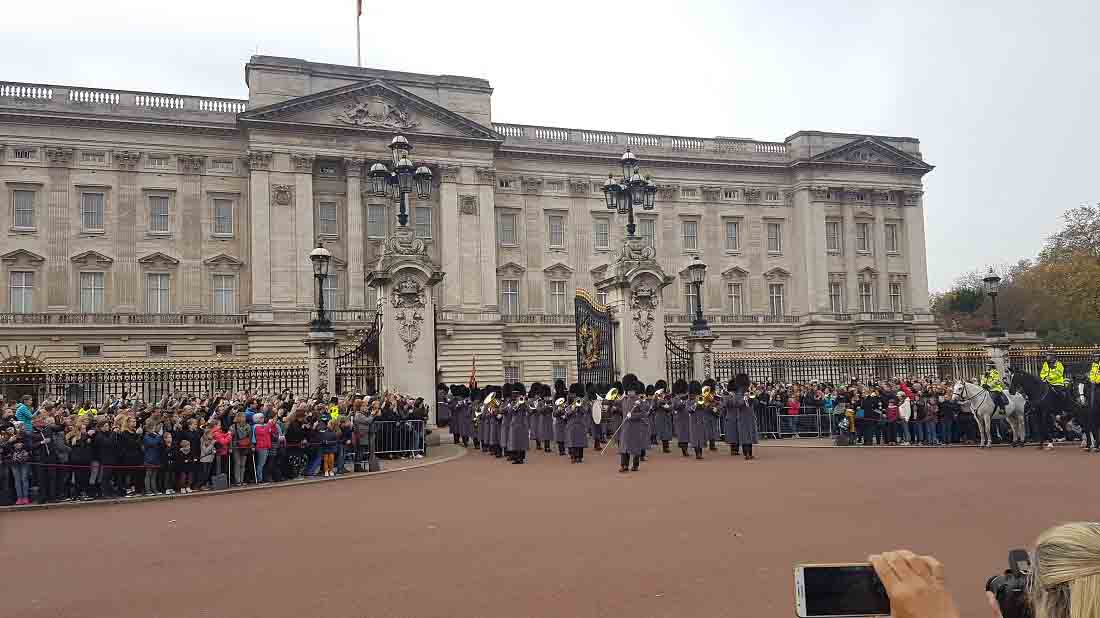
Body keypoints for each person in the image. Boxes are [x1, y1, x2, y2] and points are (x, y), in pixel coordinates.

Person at [617, 385, 650, 473]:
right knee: (624, 447)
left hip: (635, 427)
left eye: (631, 390)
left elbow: (643, 413)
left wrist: (633, 416)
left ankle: (635, 465)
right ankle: (624, 465)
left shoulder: (639, 400)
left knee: (635, 447)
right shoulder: (624, 399)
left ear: (634, 391)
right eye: (628, 390)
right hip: (625, 426)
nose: (629, 392)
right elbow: (617, 406)